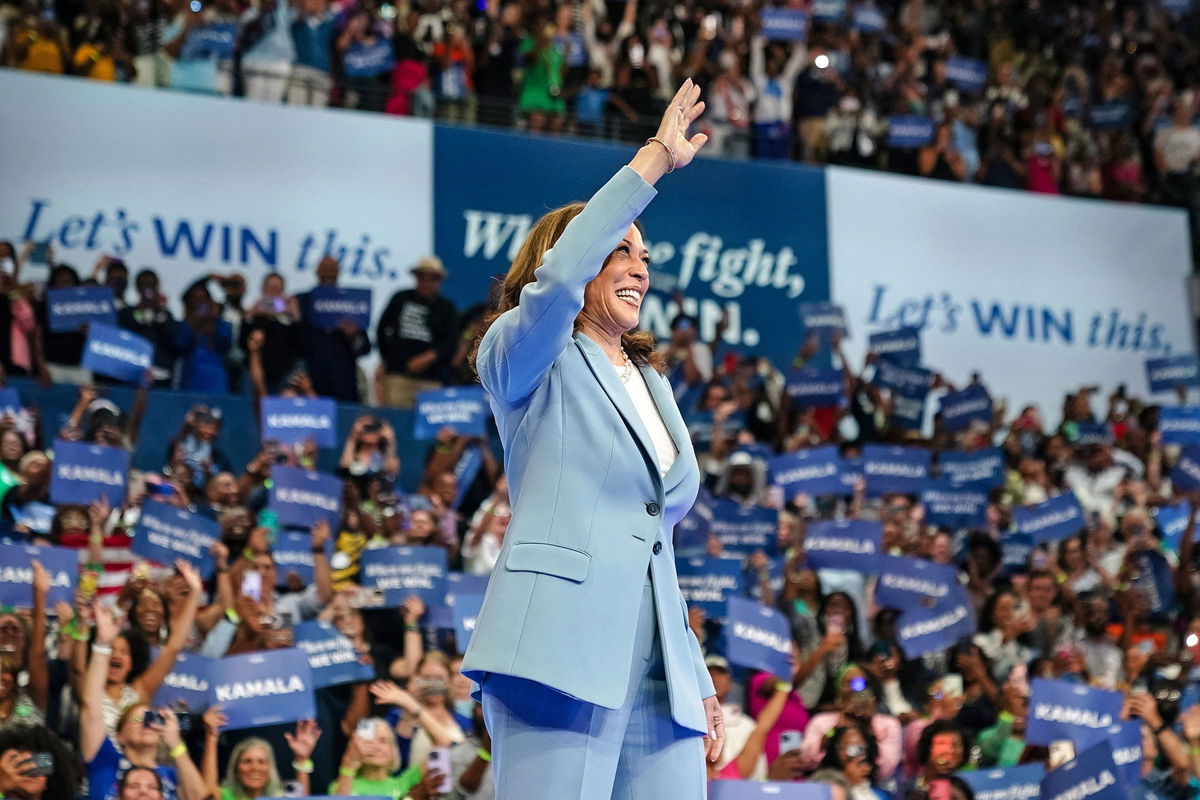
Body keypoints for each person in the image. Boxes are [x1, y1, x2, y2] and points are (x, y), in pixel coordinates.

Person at [461, 79, 721, 799]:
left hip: (658, 675)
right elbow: (557, 282)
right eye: (621, 249)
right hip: (557, 651)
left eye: (646, 256)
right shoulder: (524, 354)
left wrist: (693, 674)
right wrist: (654, 162)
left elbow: (654, 544)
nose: (640, 264)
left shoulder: (652, 383)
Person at [377, 256, 458, 409]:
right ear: (416, 278)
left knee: (431, 429)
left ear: (439, 281)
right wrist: (387, 359)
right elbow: (381, 329)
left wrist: (429, 356)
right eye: (423, 278)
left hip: (432, 378)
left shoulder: (446, 308)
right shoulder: (400, 298)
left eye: (432, 278)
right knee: (397, 421)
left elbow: (451, 340)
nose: (427, 283)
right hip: (398, 375)